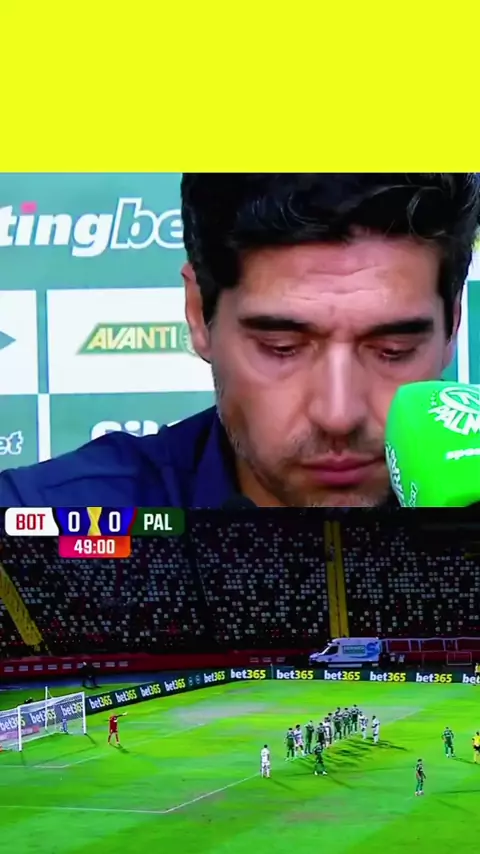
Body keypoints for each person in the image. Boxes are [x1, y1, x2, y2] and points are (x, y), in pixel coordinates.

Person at [1, 174, 479, 509]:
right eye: (281, 347)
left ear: (454, 321)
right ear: (198, 313)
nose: (338, 415)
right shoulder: (38, 531)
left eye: (393, 351)